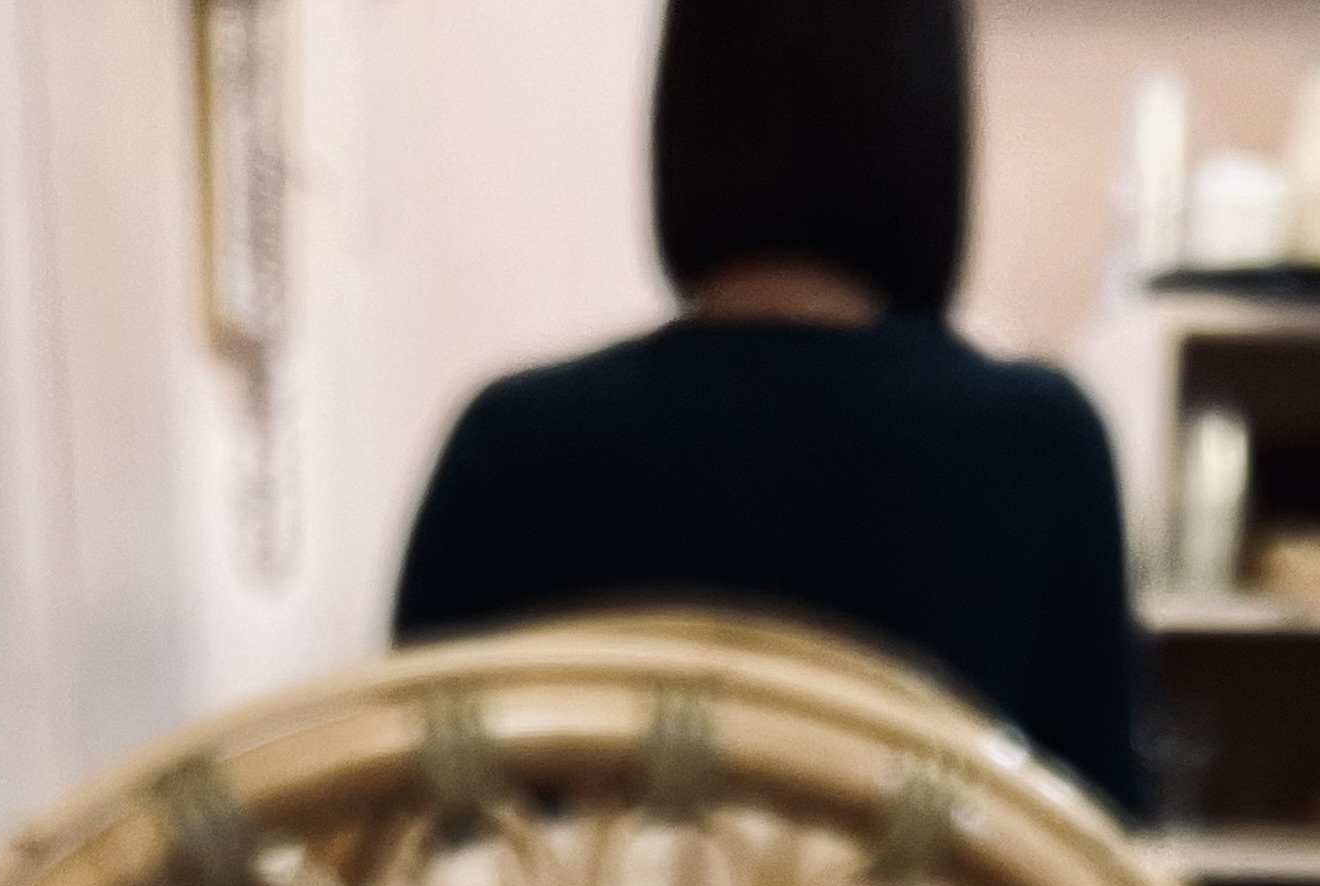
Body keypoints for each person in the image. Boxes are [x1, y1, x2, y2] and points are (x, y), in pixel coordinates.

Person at [393, 0, 1143, 818]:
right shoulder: (1043, 449)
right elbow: (1106, 860)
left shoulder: (509, 447)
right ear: (935, 118)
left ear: (682, 116)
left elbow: (399, 834)